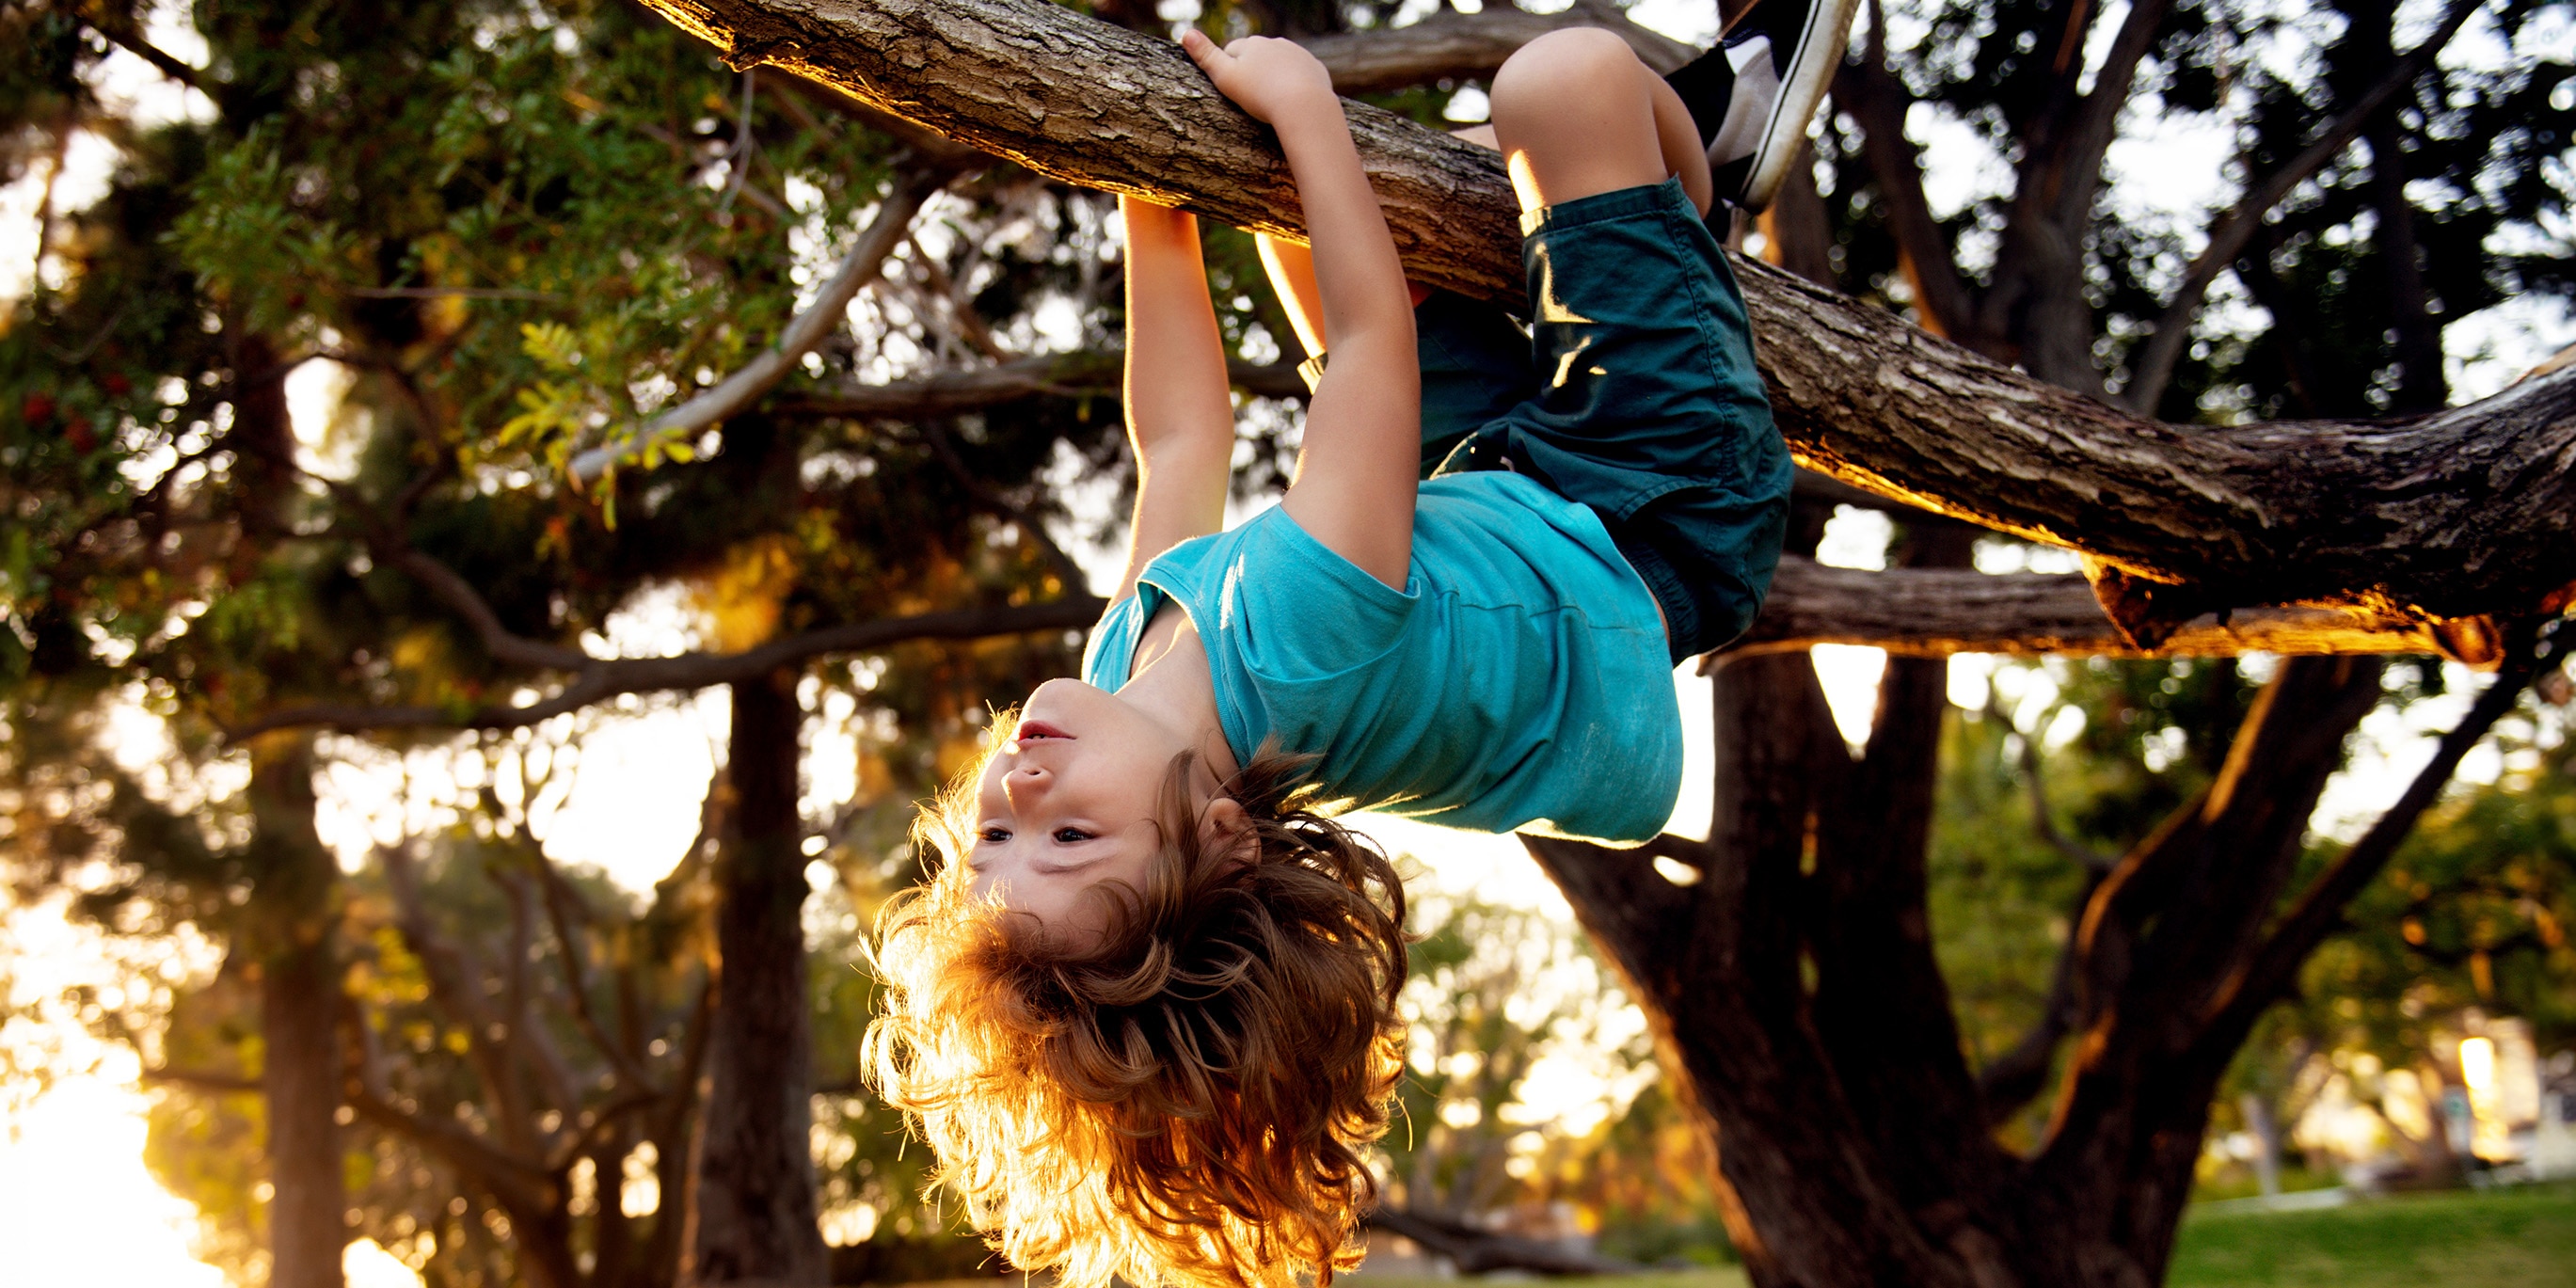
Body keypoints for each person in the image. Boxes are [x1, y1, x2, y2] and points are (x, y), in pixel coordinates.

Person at [866, 4, 1852, 1285]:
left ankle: (1608, 239)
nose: (1021, 793)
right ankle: (1703, 177)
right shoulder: (1299, 648)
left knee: (1292, 231)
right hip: (1656, 507)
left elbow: (1179, 437)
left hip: (1482, 484)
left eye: (996, 838)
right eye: (1070, 837)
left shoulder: (1120, 675)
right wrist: (1303, 110)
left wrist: (1146, 191)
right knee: (1558, 84)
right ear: (1216, 836)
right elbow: (1369, 350)